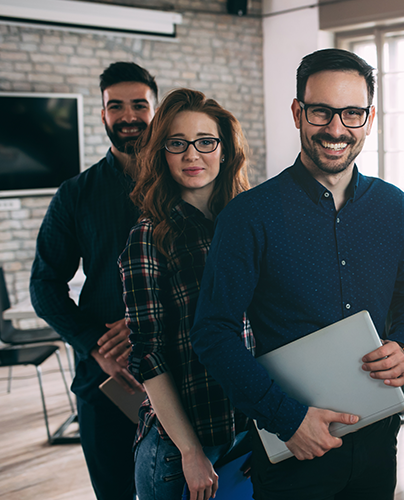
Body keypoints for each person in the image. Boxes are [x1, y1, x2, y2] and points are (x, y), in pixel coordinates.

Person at [189, 48, 404, 499]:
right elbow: (212, 332)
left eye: (352, 113)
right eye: (321, 112)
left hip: (378, 440)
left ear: (370, 119)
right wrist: (287, 419)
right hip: (292, 447)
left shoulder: (394, 207)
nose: (336, 129)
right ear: (298, 113)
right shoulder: (248, 216)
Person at [30, 61, 157, 500]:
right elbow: (44, 285)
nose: (128, 116)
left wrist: (148, 321)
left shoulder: (186, 182)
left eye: (139, 105)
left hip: (184, 368)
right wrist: (96, 348)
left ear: (155, 111)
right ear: (103, 114)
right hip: (108, 379)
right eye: (115, 106)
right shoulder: (75, 195)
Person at [118, 88, 252, 500]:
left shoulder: (246, 224)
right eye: (177, 143)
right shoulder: (149, 236)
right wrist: (191, 452)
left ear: (225, 151)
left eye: (205, 142)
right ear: (162, 153)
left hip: (250, 430)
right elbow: (149, 355)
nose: (192, 155)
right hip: (182, 451)